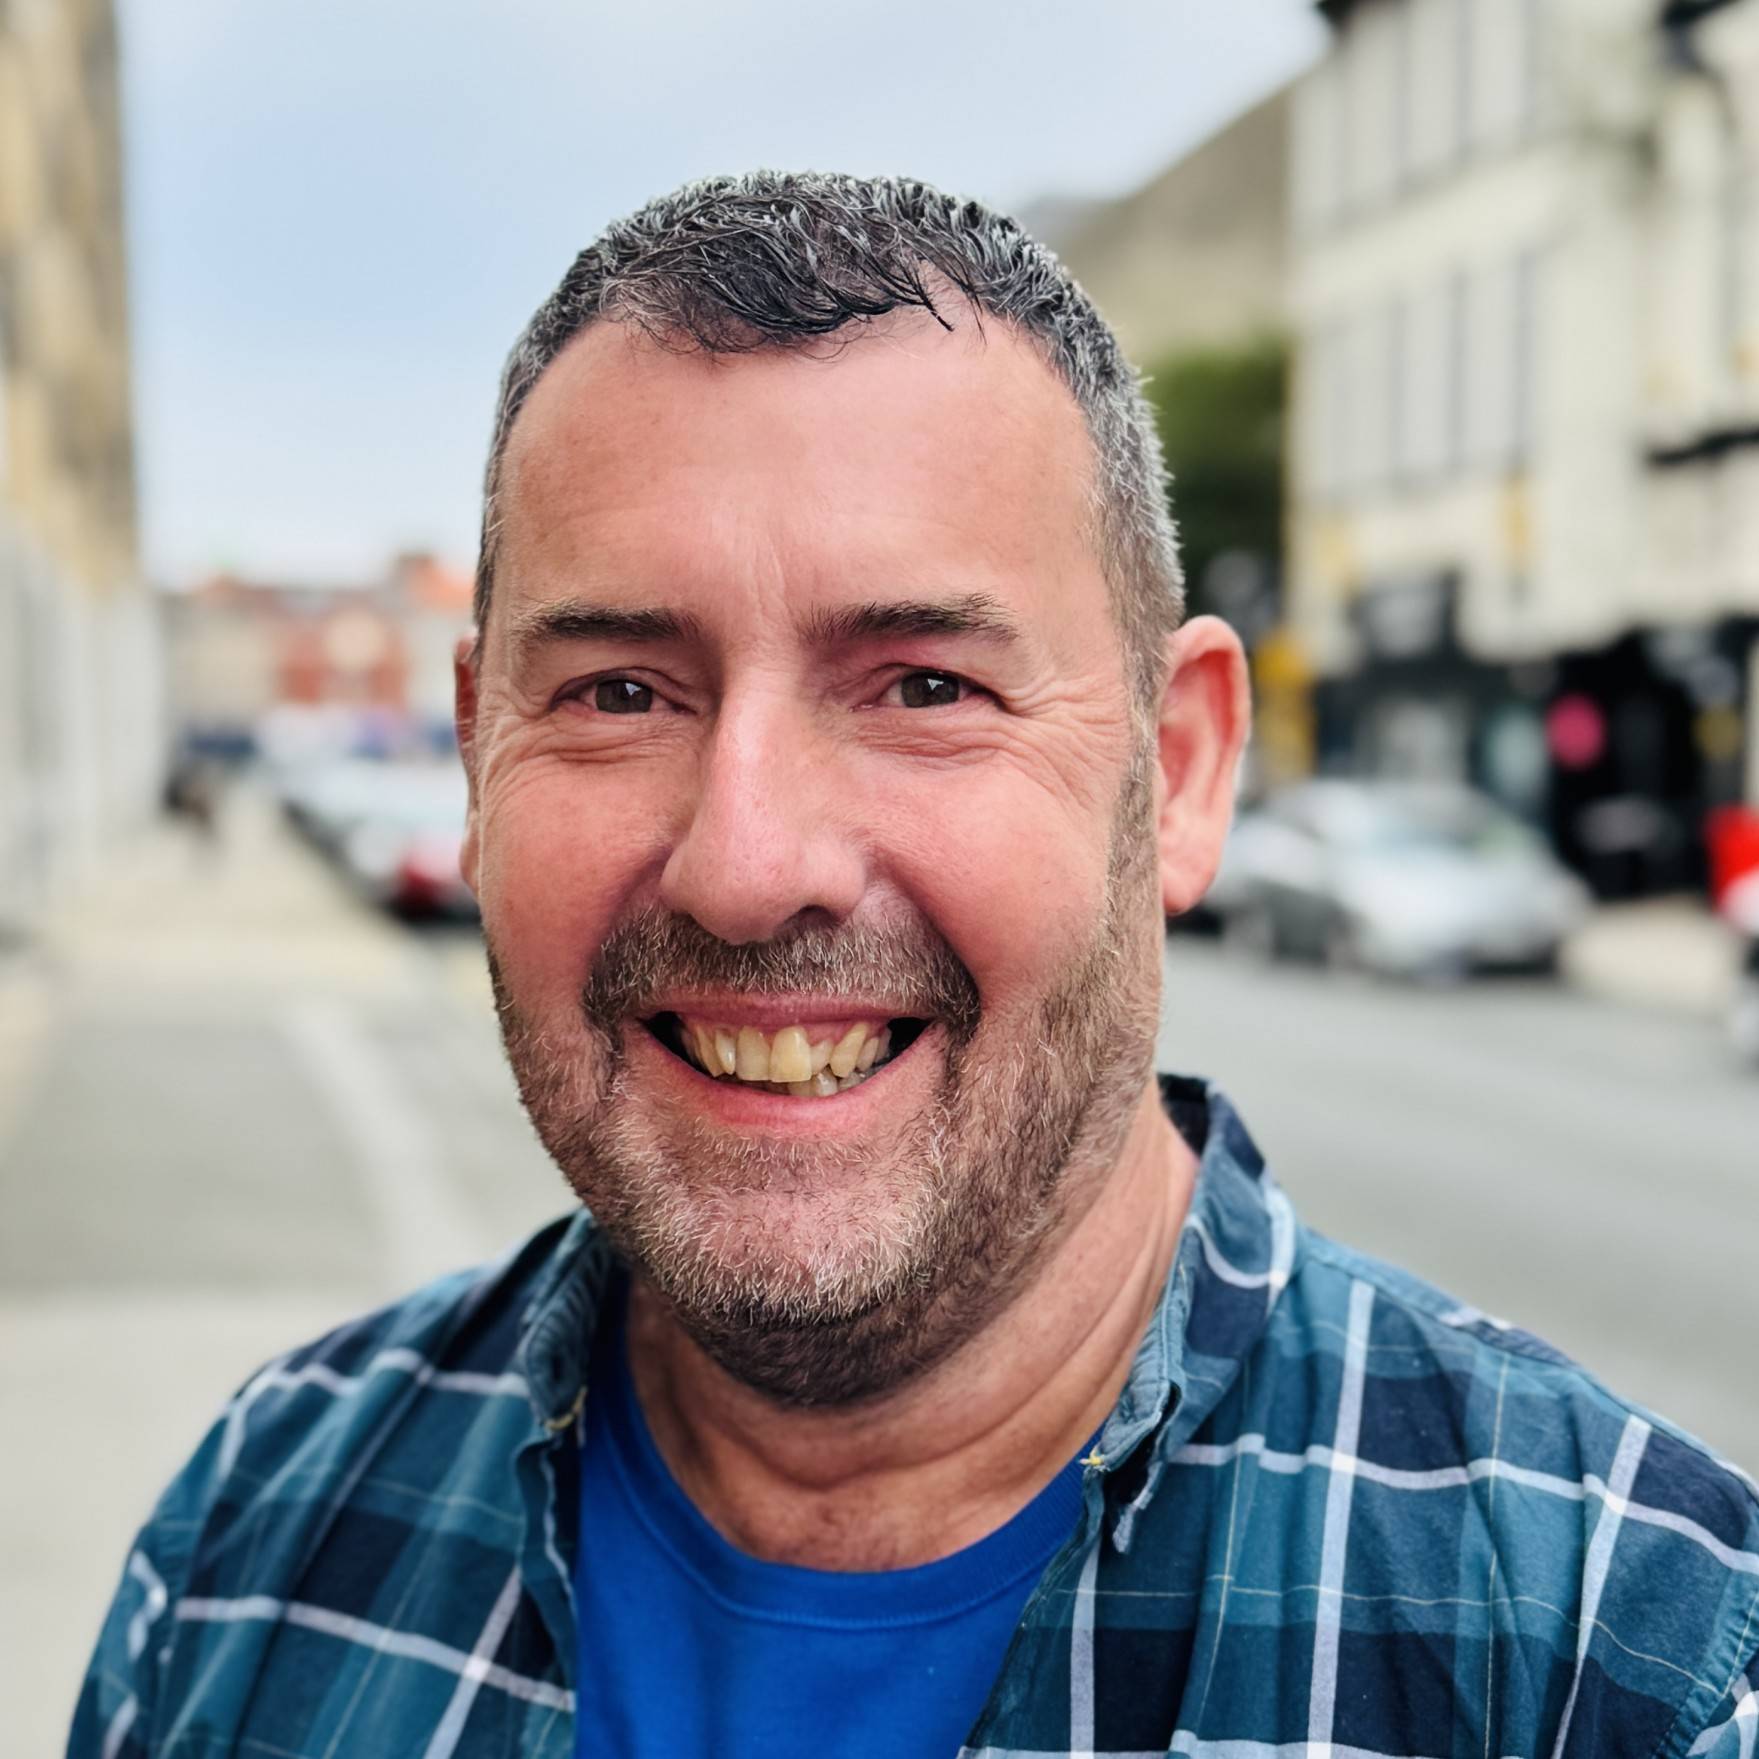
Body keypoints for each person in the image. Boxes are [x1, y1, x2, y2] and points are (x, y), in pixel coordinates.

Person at [73, 172, 1759, 1759]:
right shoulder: (250, 1541)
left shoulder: (1622, 1661)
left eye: (926, 689)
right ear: (474, 756)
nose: (749, 866)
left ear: (1178, 772)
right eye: (619, 694)